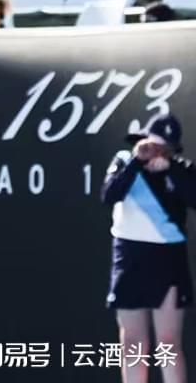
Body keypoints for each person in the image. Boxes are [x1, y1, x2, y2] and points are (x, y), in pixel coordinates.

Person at [102, 113, 193, 383]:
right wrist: (136, 161)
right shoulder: (124, 161)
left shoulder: (181, 170)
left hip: (168, 260)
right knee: (132, 343)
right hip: (129, 258)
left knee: (168, 342)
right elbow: (109, 194)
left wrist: (170, 169)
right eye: (152, 146)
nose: (156, 153)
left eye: (164, 149)